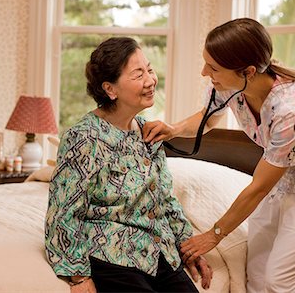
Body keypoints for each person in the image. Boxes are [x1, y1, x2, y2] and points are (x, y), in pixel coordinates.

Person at [143, 18, 295, 293]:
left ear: (248, 71)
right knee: (256, 277)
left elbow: (258, 187)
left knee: (278, 283)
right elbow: (207, 119)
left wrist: (215, 234)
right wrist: (172, 130)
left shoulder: (292, 109)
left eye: (213, 67)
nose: (204, 72)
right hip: (276, 185)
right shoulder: (228, 85)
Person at [45, 37, 212, 293]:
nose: (150, 80)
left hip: (159, 251)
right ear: (110, 89)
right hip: (111, 253)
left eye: (150, 69)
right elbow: (64, 211)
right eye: (138, 74)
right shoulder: (84, 137)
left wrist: (188, 247)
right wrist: (78, 275)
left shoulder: (150, 131)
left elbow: (165, 200)